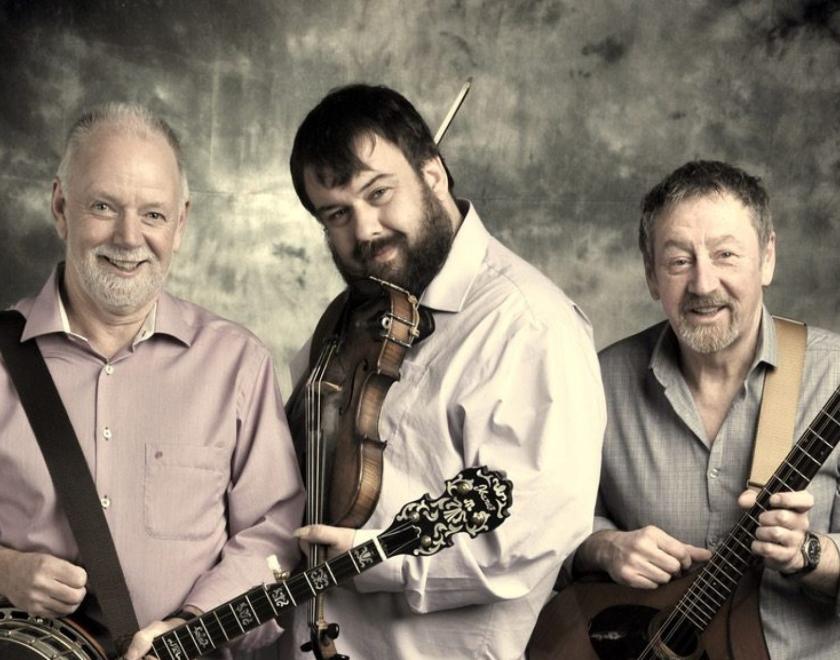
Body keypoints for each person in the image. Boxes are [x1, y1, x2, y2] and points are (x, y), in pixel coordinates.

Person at [280, 84, 606, 660]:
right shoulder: (353, 313)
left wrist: (373, 561)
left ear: (433, 173)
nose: (365, 230)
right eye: (337, 214)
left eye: (380, 193)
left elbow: (528, 541)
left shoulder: (528, 325)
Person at [0, 103, 305, 659]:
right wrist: (5, 569)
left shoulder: (236, 365)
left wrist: (195, 625)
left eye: (153, 215)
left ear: (181, 223)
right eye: (103, 206)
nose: (128, 237)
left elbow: (274, 533)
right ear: (61, 207)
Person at [573, 160, 840, 658]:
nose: (702, 284)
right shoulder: (599, 381)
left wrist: (811, 554)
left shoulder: (834, 377)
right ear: (651, 274)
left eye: (726, 255)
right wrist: (601, 547)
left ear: (767, 259)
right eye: (678, 261)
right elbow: (546, 525)